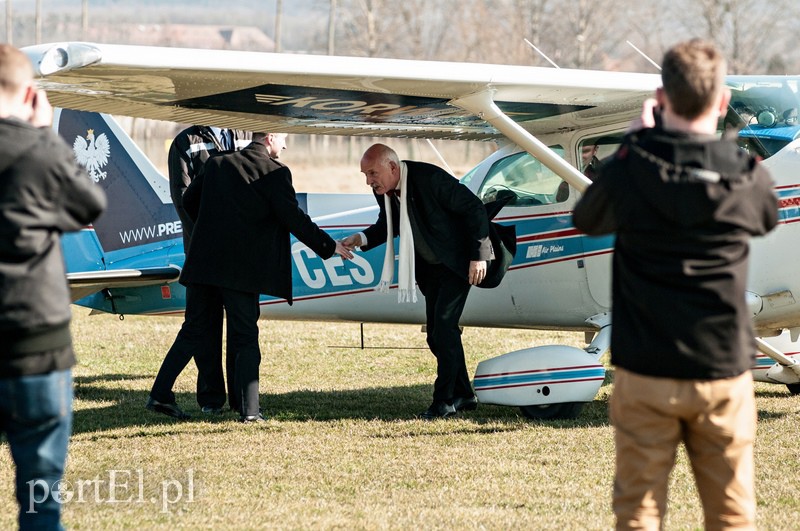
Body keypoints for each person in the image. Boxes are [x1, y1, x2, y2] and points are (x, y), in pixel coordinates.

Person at [573, 39, 778, 529]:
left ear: (661, 99)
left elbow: (588, 215)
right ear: (723, 102)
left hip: (646, 369)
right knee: (731, 514)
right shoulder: (746, 174)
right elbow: (767, 217)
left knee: (639, 513)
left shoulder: (633, 164)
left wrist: (635, 143)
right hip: (722, 372)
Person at [0, 44, 106, 528]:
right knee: (41, 494)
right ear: (29, 93)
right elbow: (89, 205)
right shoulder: (41, 151)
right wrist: (43, 133)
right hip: (36, 341)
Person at [179, 132, 352, 422]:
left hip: (209, 264)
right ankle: (248, 410)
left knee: (197, 330)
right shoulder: (276, 172)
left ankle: (164, 394)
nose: (285, 145)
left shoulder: (218, 163)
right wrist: (328, 245)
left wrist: (212, 230)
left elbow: (190, 201)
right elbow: (293, 218)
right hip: (243, 270)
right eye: (283, 139)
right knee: (245, 335)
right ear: (270, 138)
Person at [342, 144, 492, 419]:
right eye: (365, 175)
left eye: (372, 173)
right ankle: (464, 394)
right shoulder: (385, 191)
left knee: (444, 329)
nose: (368, 181)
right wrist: (361, 239)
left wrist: (478, 256)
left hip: (456, 264)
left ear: (393, 167)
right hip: (429, 270)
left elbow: (474, 209)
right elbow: (389, 224)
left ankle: (443, 401)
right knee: (437, 335)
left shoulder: (431, 179)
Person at [147, 125, 251, 418]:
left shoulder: (246, 133)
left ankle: (241, 400)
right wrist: (208, 243)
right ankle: (211, 398)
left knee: (239, 328)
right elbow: (182, 199)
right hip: (203, 252)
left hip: (239, 255)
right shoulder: (184, 142)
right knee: (202, 328)